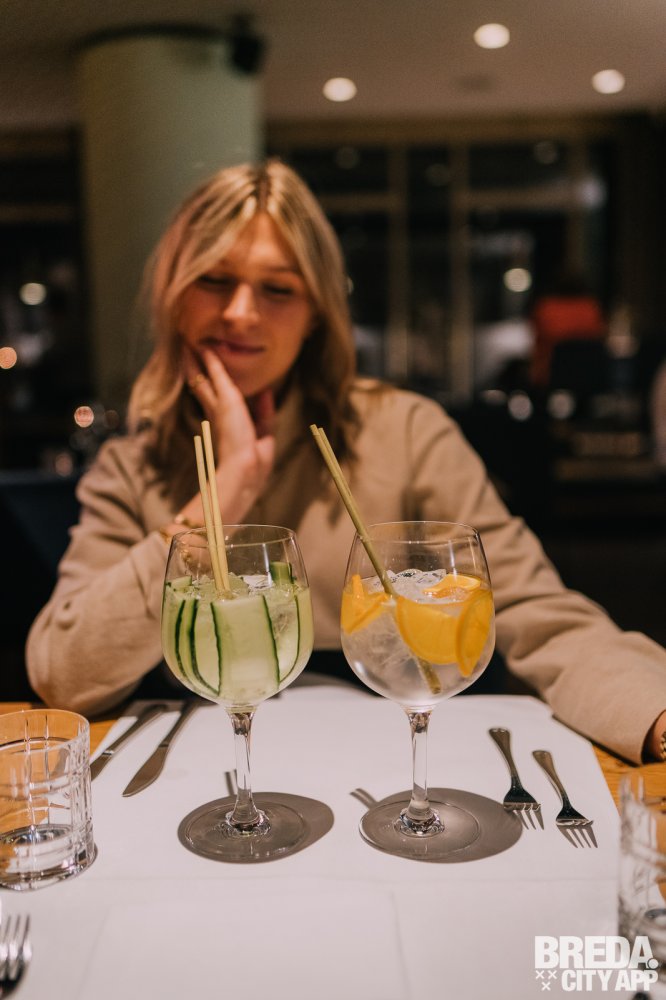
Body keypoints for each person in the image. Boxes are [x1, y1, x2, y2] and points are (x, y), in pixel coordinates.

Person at [26, 160, 666, 765]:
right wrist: (230, 485)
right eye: (214, 281)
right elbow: (63, 675)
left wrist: (652, 714)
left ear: (315, 315)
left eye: (278, 289)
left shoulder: (405, 431)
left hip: (387, 768)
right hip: (208, 778)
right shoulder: (130, 467)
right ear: (174, 298)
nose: (240, 312)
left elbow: (537, 613)